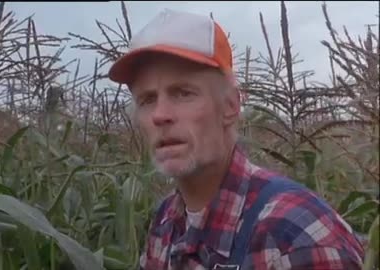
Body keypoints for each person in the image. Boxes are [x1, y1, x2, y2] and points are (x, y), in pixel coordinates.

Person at [108, 8, 365, 270]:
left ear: (230, 106)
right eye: (147, 99)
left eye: (183, 93)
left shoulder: (297, 237)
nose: (160, 115)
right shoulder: (166, 220)